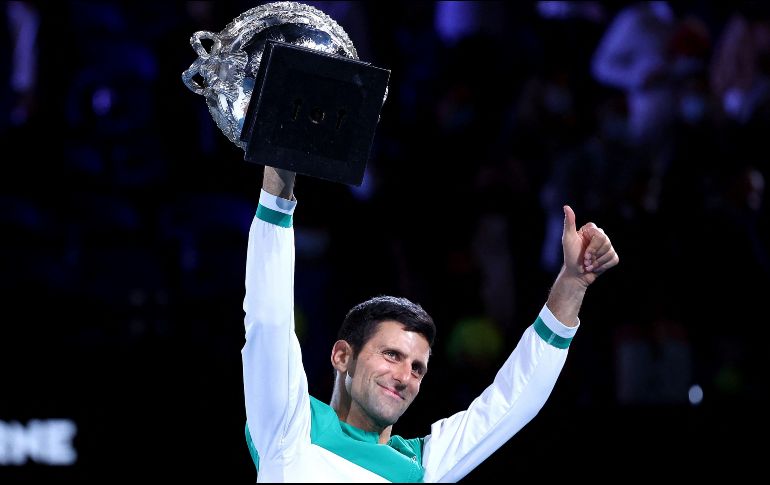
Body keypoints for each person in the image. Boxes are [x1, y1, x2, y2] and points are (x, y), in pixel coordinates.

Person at [242, 166, 619, 482]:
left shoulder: (422, 467)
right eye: (391, 355)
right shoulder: (288, 424)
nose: (405, 376)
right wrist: (278, 185)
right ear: (343, 355)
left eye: (417, 368)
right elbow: (269, 320)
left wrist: (572, 283)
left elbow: (512, 401)